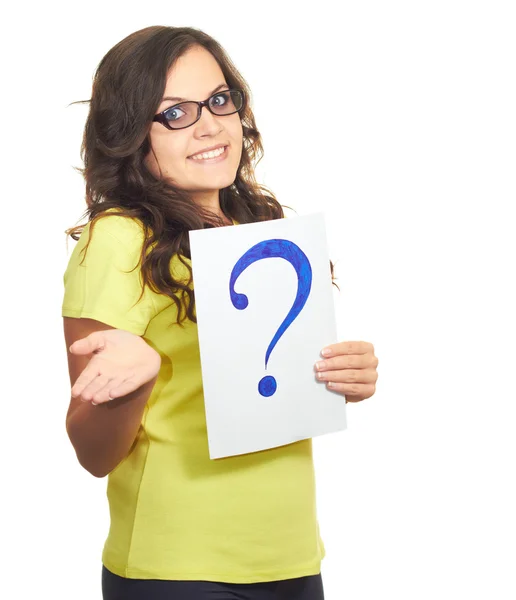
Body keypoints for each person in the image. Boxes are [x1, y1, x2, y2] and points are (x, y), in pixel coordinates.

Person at [62, 25, 379, 600]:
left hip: (290, 556)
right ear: (133, 134)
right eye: (175, 113)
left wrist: (339, 374)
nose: (209, 124)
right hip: (180, 567)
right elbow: (92, 453)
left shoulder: (256, 230)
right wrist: (134, 383)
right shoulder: (117, 240)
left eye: (218, 100)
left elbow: (269, 385)